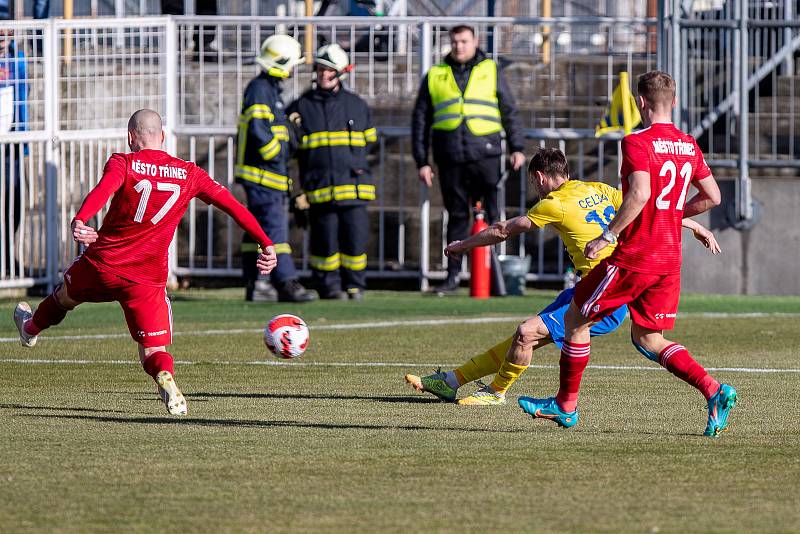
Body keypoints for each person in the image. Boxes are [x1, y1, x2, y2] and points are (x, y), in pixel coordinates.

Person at [12, 109, 278, 416]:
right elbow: (233, 206)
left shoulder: (123, 162)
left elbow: (103, 191)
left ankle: (30, 329)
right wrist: (266, 242)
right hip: (147, 278)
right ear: (162, 137)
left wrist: (81, 219)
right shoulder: (190, 173)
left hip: (103, 265)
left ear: (130, 138)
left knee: (64, 297)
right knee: (153, 349)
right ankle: (164, 376)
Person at [404, 148, 720, 405]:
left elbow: (504, 230)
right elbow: (645, 208)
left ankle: (496, 393)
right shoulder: (598, 189)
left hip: (605, 294)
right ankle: (451, 382)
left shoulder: (555, 203)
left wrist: (463, 245)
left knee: (526, 333)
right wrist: (695, 226)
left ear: (540, 177)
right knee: (523, 338)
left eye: (533, 183)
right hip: (596, 287)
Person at [519, 71, 737, 437]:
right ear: (676, 102)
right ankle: (714, 391)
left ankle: (565, 405)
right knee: (648, 338)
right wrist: (673, 216)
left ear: (640, 103)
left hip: (635, 255)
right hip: (670, 258)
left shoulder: (637, 142)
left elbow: (638, 195)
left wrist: (608, 236)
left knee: (575, 320)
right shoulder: (688, 144)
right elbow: (713, 197)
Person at [411, 24, 526, 293]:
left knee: (495, 215)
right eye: (455, 42)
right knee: (457, 216)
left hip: (485, 153)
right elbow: (420, 120)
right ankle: (453, 276)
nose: (459, 46)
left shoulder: (490, 69)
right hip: (450, 155)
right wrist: (421, 160)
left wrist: (517, 147)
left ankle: (494, 275)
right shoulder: (435, 74)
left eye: (464, 41)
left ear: (475, 41)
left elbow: (509, 110)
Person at [287, 43, 377, 300]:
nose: (324, 74)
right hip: (320, 189)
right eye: (320, 69)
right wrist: (297, 192)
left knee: (355, 241)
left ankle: (355, 285)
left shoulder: (357, 105)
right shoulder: (300, 107)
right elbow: (291, 153)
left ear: (342, 73)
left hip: (354, 188)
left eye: (330, 70)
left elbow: (370, 141)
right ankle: (330, 287)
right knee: (324, 242)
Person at [235, 34, 315, 302]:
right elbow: (261, 133)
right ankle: (285, 282)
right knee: (274, 232)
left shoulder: (269, 90)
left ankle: (256, 283)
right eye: (292, 64)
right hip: (264, 176)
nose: (293, 70)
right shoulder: (261, 90)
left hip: (268, 176)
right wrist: (278, 154)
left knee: (255, 232)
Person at [0, 29, 27, 276]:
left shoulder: (17, 59)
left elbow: (23, 101)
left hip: (13, 144)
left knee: (14, 202)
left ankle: (9, 256)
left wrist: (25, 143)